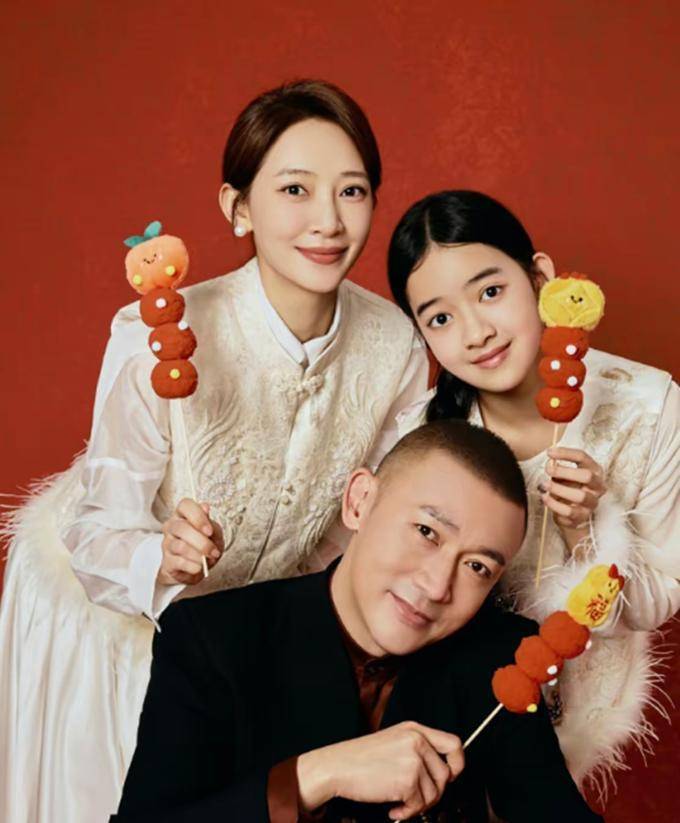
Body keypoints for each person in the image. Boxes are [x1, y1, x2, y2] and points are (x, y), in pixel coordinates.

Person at [0, 80, 427, 823]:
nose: (328, 221)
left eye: (352, 191)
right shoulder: (156, 330)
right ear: (238, 207)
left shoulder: (398, 345)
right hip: (131, 645)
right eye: (294, 189)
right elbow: (94, 533)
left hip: (265, 656)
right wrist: (160, 557)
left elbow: (359, 529)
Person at [112, 419, 602, 822]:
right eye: (426, 531)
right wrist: (318, 775)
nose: (437, 586)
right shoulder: (211, 636)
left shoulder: (503, 658)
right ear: (359, 502)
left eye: (477, 567)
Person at [386, 190, 679, 789]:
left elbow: (657, 601)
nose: (475, 333)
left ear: (541, 278)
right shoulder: (421, 437)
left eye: (491, 291)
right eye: (439, 318)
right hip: (448, 721)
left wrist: (586, 529)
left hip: (584, 725)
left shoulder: (650, 406)